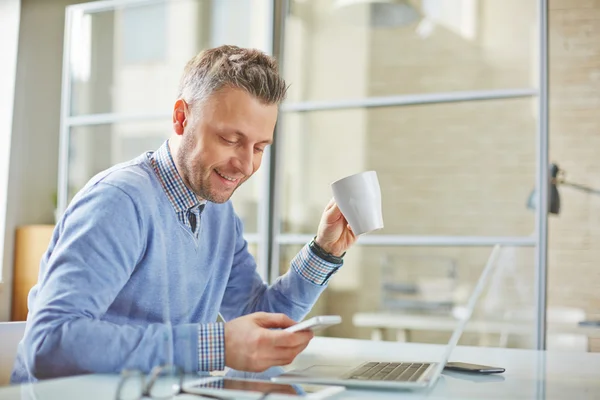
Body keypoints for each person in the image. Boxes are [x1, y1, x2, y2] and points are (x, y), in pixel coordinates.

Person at [11, 45, 357, 383]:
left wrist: (324, 251)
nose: (247, 165)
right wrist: (214, 346)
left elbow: (255, 316)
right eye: (230, 139)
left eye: (259, 147)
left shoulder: (218, 214)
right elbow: (49, 344)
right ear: (181, 118)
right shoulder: (119, 202)